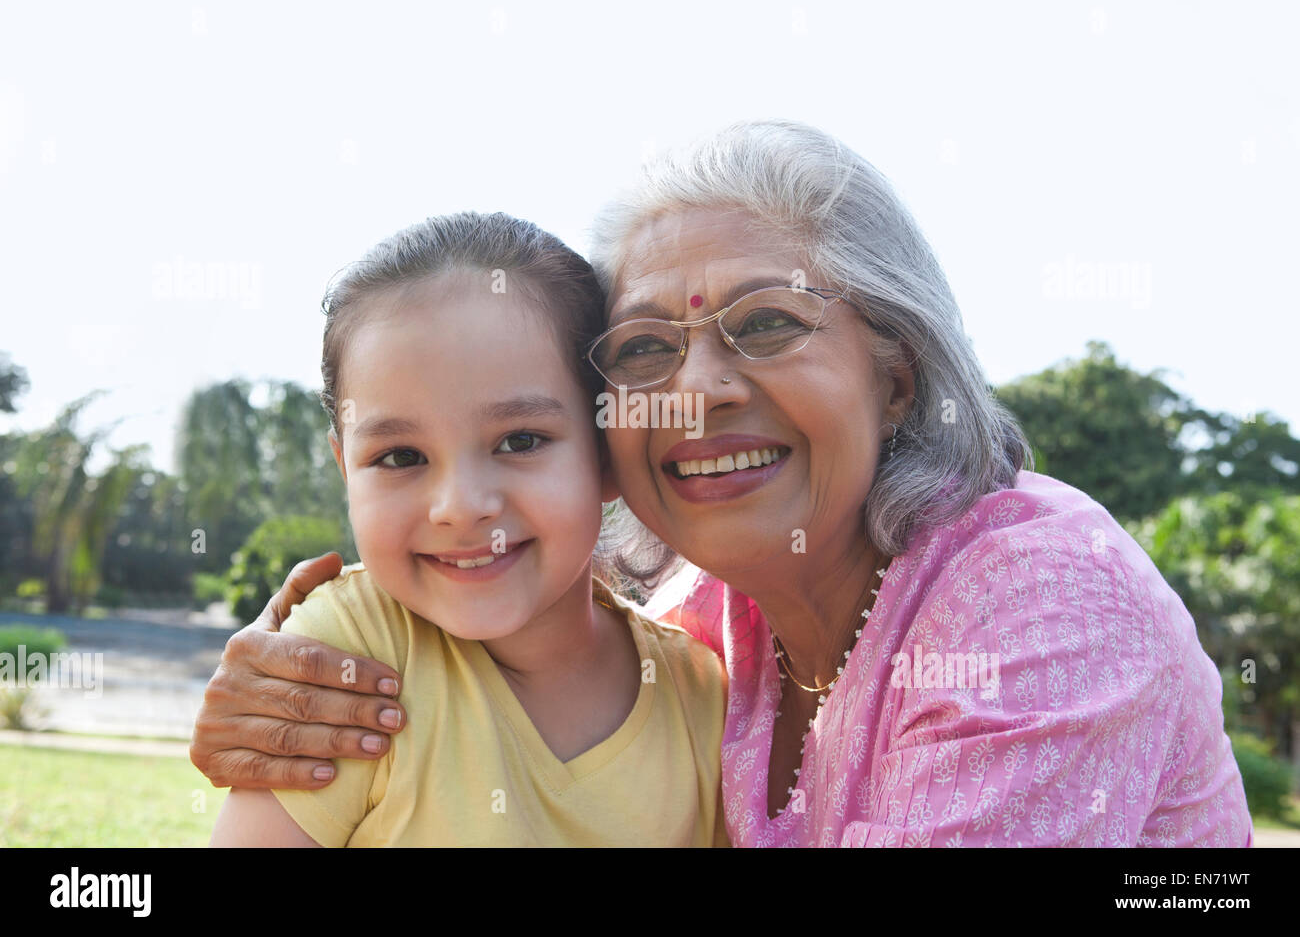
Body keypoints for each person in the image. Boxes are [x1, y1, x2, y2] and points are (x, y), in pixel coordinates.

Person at [193, 121, 1251, 847]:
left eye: (767, 324)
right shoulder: (707, 631)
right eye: (645, 347)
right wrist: (300, 670)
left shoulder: (1039, 591)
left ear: (895, 372)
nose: (694, 391)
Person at [208, 212, 728, 846]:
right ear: (346, 470)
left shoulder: (703, 700)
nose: (459, 507)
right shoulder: (349, 653)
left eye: (520, 440)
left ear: (606, 452)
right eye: (400, 456)